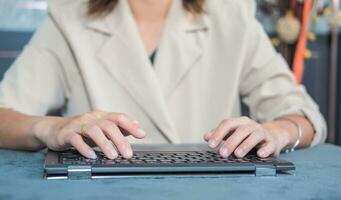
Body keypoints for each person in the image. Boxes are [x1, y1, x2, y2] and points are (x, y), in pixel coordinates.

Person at [0, 0, 326, 160]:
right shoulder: (70, 18)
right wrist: (52, 127)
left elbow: (304, 116)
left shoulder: (231, 15)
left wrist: (275, 131)